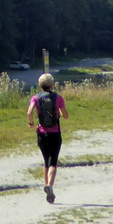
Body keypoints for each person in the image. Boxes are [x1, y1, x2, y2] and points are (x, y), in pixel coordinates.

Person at [27, 73, 68, 203]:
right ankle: (49, 185)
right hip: (55, 133)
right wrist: (61, 112)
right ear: (52, 85)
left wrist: (31, 123)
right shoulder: (58, 98)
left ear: (40, 85)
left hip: (41, 133)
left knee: (46, 162)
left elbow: (29, 112)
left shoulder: (36, 98)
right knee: (53, 163)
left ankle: (49, 191)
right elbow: (65, 115)